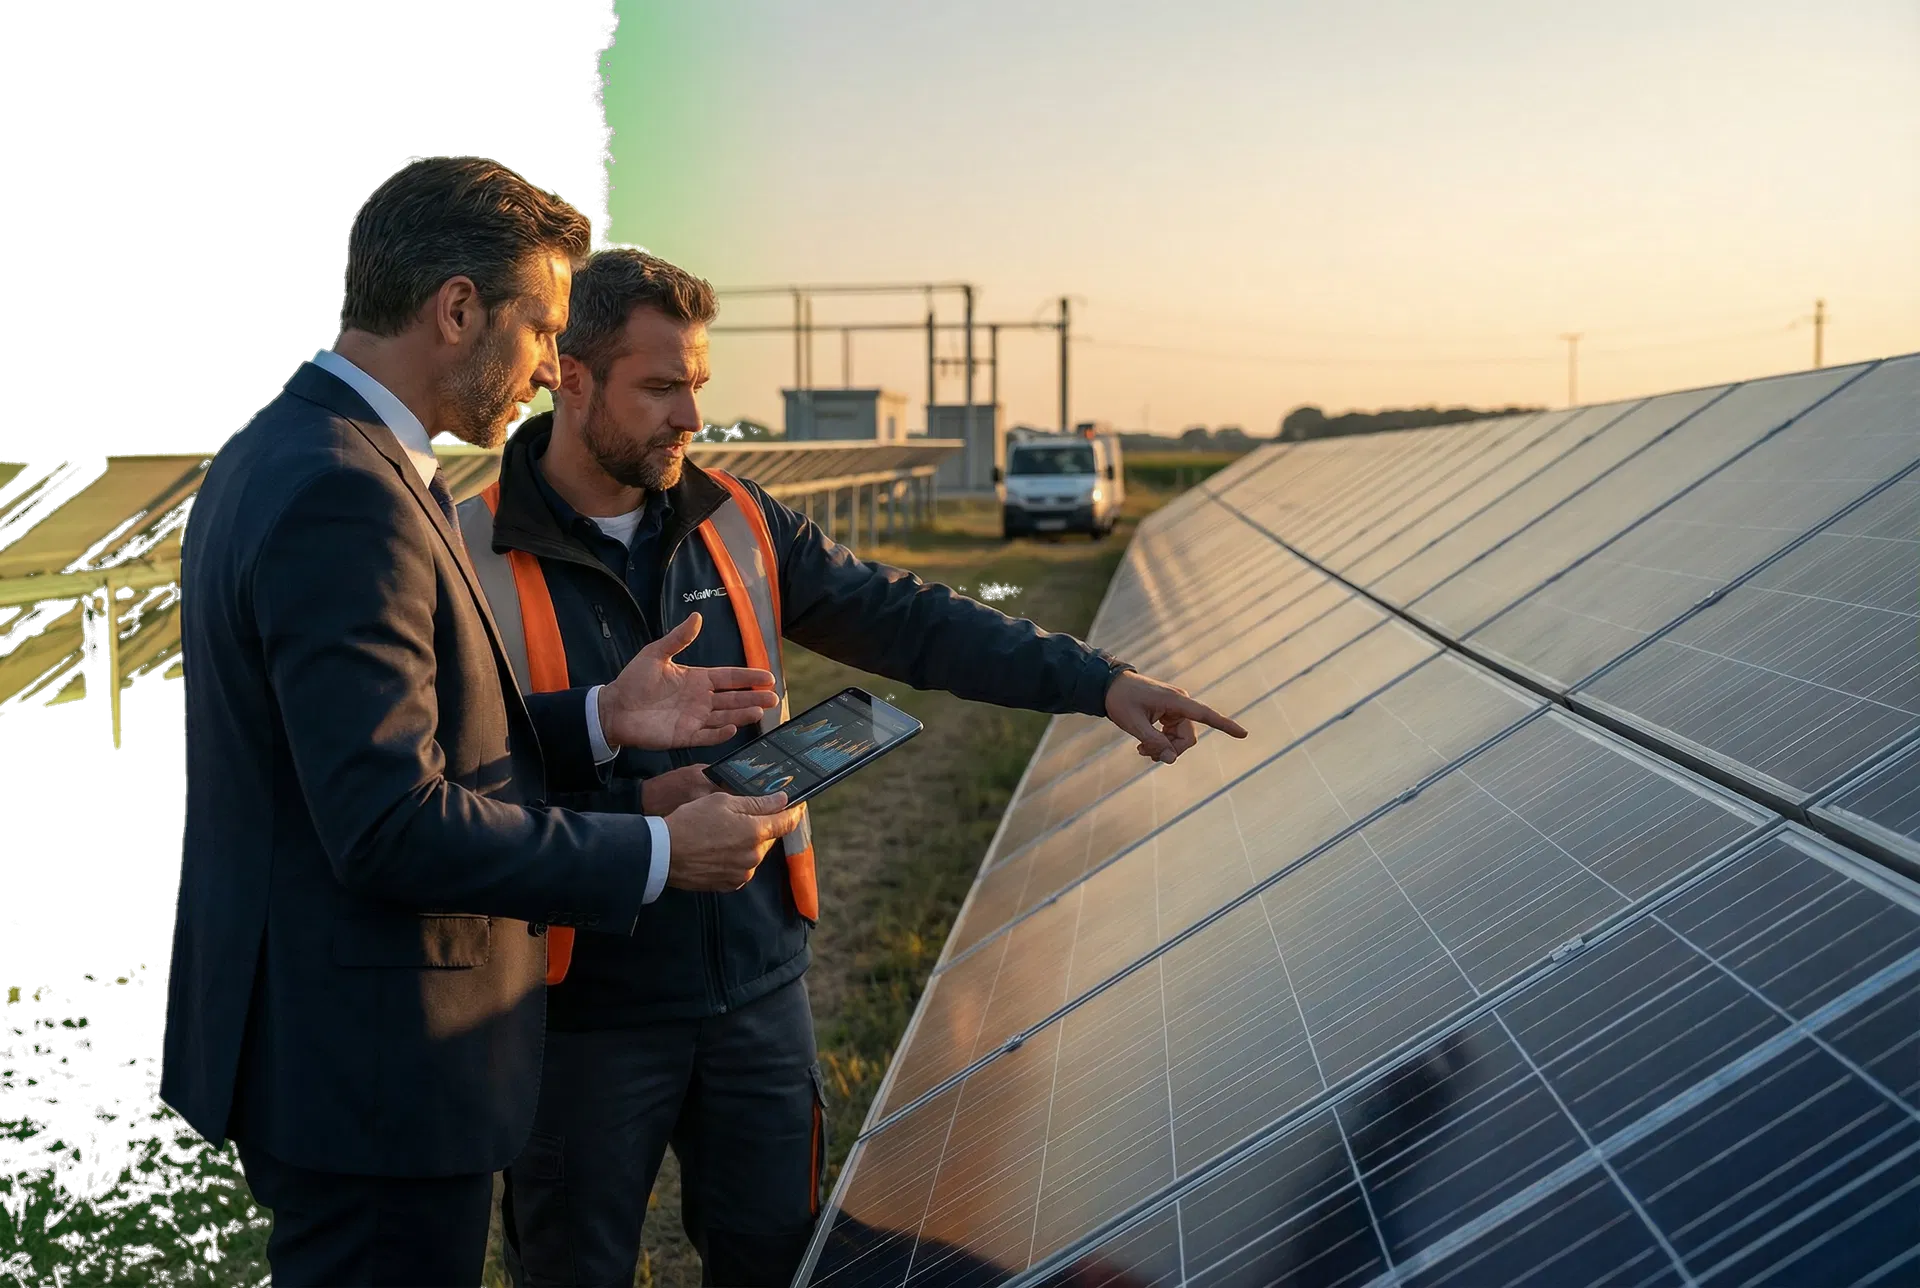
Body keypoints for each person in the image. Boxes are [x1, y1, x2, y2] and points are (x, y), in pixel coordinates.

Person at [466, 247, 1248, 1288]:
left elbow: (908, 620)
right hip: (581, 1004)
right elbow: (453, 787)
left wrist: (1094, 681)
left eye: (696, 383)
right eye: (660, 387)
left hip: (755, 985)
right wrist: (635, 805)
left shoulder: (740, 520)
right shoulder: (468, 551)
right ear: (570, 377)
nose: (690, 417)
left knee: (784, 1262)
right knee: (574, 1268)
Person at [160, 156, 804, 1288]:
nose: (553, 367)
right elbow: (388, 823)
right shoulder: (344, 492)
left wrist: (599, 716)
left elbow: (370, 747)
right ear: (458, 309)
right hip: (379, 1065)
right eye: (544, 326)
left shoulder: (290, 449)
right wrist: (657, 850)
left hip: (334, 1049)